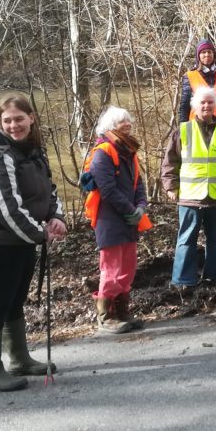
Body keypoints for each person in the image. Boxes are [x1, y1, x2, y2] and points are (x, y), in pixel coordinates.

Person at [0, 94, 66, 392]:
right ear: (0, 123)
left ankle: (19, 359)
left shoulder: (34, 152)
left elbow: (50, 190)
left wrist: (56, 217)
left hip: (24, 241)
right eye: (7, 120)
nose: (14, 125)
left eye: (19, 118)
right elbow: (6, 208)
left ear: (31, 118)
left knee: (15, 301)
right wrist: (40, 233)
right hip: (0, 244)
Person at [162, 86, 216, 290]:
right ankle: (183, 280)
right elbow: (170, 162)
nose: (206, 106)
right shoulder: (183, 130)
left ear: (215, 105)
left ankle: (214, 276)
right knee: (186, 238)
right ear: (195, 106)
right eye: (202, 102)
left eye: (210, 102)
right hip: (191, 196)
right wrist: (170, 186)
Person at [85, 106, 151, 334]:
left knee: (128, 268)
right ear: (110, 127)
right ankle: (105, 316)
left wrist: (141, 207)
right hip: (109, 219)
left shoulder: (129, 151)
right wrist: (132, 210)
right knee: (111, 269)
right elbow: (108, 190)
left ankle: (122, 312)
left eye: (128, 120)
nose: (127, 124)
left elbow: (138, 184)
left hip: (129, 218)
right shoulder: (103, 152)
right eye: (122, 122)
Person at [179, 37, 216, 132]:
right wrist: (182, 131)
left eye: (209, 52)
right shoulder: (190, 76)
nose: (207, 55)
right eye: (203, 52)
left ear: (214, 54)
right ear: (198, 56)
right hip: (198, 129)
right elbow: (184, 107)